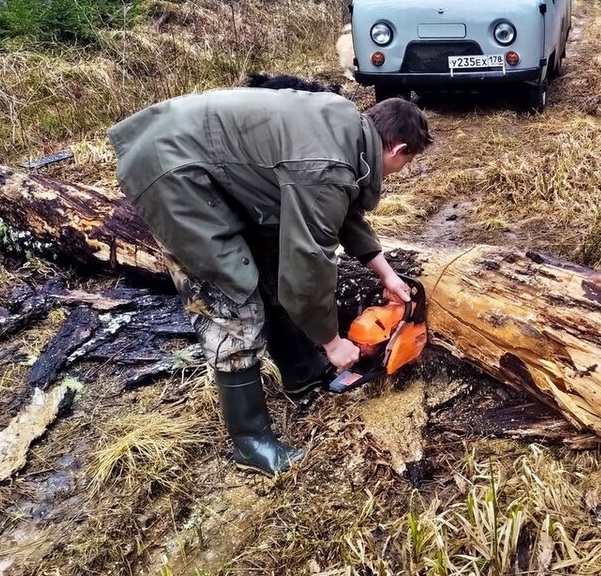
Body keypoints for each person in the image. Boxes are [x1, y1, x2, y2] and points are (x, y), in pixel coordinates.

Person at [107, 88, 431, 475]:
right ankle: (250, 442)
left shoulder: (346, 129)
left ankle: (301, 372)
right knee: (233, 292)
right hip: (171, 171)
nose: (402, 170)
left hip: (196, 158)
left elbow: (336, 209)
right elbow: (308, 260)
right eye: (407, 162)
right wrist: (332, 341)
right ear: (397, 149)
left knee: (269, 260)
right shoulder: (329, 163)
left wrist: (387, 274)